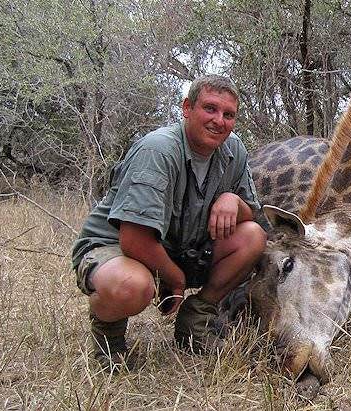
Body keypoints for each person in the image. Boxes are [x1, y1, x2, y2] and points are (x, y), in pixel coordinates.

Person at [71, 74, 267, 369]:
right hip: (118, 249)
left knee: (253, 236)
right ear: (187, 108)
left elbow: (252, 214)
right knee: (130, 286)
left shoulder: (233, 149)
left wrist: (233, 201)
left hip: (180, 248)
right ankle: (108, 336)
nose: (219, 121)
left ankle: (197, 317)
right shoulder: (158, 150)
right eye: (210, 109)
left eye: (229, 115)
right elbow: (133, 239)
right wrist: (174, 280)